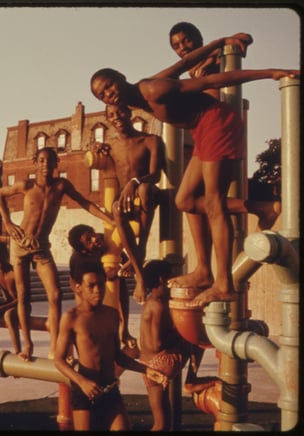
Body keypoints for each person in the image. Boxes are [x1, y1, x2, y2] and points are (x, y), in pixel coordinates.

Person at [90, 65, 298, 307]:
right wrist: (216, 43)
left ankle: (223, 284)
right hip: (203, 129)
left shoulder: (152, 89)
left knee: (213, 202)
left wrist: (272, 73)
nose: (108, 94)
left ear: (121, 77)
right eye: (101, 94)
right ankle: (210, 263)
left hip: (216, 123)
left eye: (108, 85)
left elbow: (215, 80)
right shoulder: (141, 91)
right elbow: (181, 65)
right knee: (185, 201)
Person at [0, 147, 114, 361]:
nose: (45, 165)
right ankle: (28, 345)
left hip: (41, 246)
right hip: (20, 244)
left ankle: (53, 347)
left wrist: (107, 219)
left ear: (56, 163)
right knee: (23, 296)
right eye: (41, 160)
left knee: (56, 295)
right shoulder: (27, 185)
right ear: (35, 163)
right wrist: (8, 222)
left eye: (49, 161)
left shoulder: (61, 186)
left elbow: (84, 202)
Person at [53, 259, 167, 430]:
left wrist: (147, 370)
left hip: (110, 388)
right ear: (77, 287)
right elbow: (58, 360)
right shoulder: (71, 318)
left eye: (101, 284)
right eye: (91, 286)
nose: (98, 290)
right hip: (85, 390)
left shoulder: (112, 315)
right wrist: (82, 381)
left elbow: (118, 356)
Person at [138, 259, 218, 430]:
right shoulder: (157, 305)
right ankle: (191, 380)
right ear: (161, 279)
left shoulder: (151, 303)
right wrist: (182, 333)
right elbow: (156, 343)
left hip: (148, 367)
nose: (176, 281)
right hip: (160, 363)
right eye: (172, 277)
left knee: (162, 423)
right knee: (198, 335)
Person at [103, 102, 166, 305]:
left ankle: (142, 253)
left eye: (120, 111)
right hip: (125, 199)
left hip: (147, 190)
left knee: (145, 189)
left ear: (129, 112)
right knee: (115, 208)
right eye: (112, 115)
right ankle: (140, 273)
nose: (117, 117)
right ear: (108, 120)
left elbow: (155, 174)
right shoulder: (111, 145)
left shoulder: (151, 141)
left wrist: (136, 181)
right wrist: (95, 149)